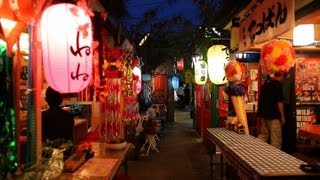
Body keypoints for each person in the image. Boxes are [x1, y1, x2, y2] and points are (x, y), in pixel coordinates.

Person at [257, 73, 286, 149]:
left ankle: (256, 151)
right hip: (274, 117)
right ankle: (275, 158)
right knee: (276, 139)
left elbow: (260, 100)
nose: (283, 80)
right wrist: (282, 116)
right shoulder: (277, 85)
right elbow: (279, 102)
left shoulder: (265, 84)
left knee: (264, 136)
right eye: (283, 77)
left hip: (264, 115)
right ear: (280, 76)